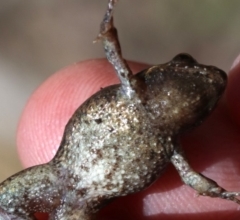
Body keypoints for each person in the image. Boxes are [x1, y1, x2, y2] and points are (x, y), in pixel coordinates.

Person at [17, 56, 240, 219]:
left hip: (77, 198)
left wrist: (108, 27)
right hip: (63, 179)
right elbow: (193, 180)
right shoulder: (171, 145)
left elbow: (112, 51)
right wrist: (225, 195)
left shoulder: (133, 90)